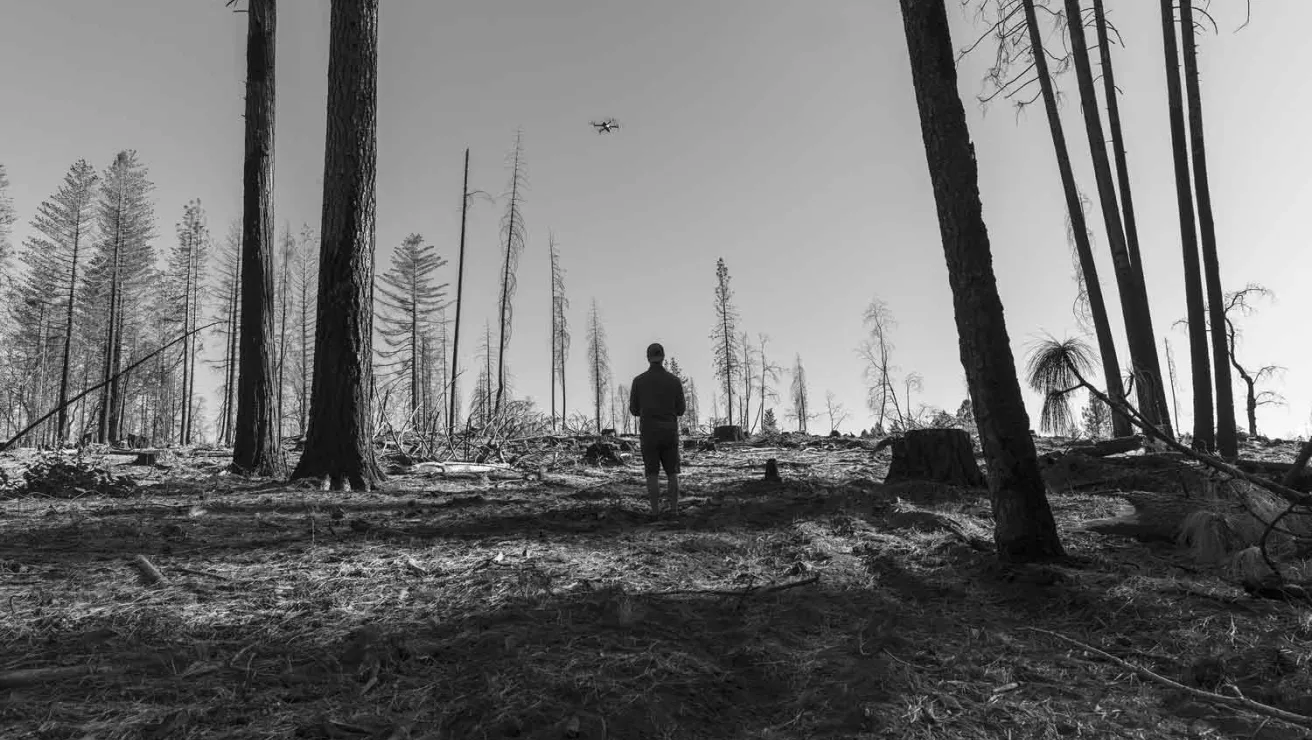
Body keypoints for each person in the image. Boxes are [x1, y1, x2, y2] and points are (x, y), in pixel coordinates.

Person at [629, 342, 686, 516]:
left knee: (652, 474)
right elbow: (681, 410)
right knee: (672, 473)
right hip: (669, 432)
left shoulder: (639, 381)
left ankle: (655, 512)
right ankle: (674, 510)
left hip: (649, 433)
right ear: (663, 357)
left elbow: (633, 410)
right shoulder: (674, 381)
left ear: (648, 357)